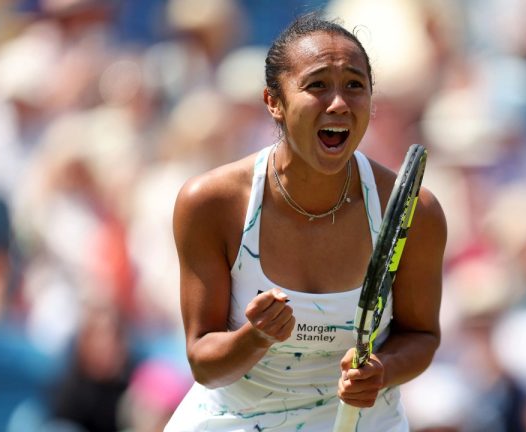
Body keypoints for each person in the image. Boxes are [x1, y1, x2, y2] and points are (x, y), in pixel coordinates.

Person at [164, 12, 447, 432]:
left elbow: (422, 337)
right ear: (273, 102)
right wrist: (254, 337)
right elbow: (204, 364)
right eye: (317, 85)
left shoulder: (414, 211)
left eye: (355, 85)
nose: (338, 103)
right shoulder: (211, 202)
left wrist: (381, 371)